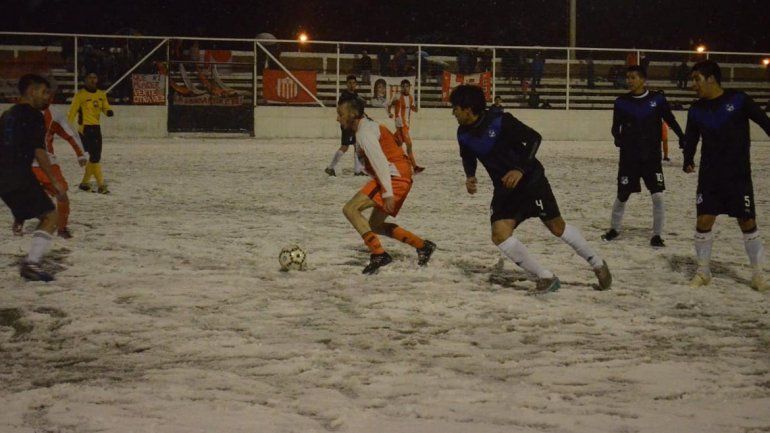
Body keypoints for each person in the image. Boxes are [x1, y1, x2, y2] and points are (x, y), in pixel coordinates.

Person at [449, 84, 611, 293]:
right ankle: (545, 276)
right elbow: (468, 155)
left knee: (557, 228)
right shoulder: (462, 133)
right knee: (499, 234)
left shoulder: (501, 121)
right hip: (506, 189)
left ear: (468, 108)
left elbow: (534, 138)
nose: (453, 113)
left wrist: (519, 169)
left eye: (455, 108)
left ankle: (597, 263)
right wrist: (470, 175)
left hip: (531, 181)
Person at [682, 60, 770, 291]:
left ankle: (758, 275)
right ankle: (703, 272)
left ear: (711, 78)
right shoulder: (696, 109)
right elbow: (691, 138)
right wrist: (688, 158)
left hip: (738, 174)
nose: (693, 85)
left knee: (747, 222)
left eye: (697, 79)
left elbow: (765, 122)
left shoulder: (739, 99)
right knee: (703, 221)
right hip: (710, 175)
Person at [336, 97, 436, 274]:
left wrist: (387, 193)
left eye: (340, 114)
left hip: (394, 176)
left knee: (350, 209)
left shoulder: (364, 132)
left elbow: (380, 162)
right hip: (400, 174)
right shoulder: (369, 126)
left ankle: (379, 254)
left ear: (353, 114)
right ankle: (423, 246)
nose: (338, 118)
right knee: (375, 225)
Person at [603, 66, 685, 247]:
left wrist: (682, 136)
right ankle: (614, 229)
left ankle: (657, 235)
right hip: (629, 158)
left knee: (658, 196)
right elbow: (615, 127)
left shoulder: (657, 99)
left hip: (651, 158)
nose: (629, 81)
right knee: (623, 194)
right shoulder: (621, 102)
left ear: (643, 80)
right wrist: (618, 138)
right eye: (628, 77)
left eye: (633, 77)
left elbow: (670, 119)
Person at [0, 74, 67, 281]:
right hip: (18, 174)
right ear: (32, 91)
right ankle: (32, 264)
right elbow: (39, 151)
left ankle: (20, 217)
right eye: (44, 92)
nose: (48, 97)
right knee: (51, 216)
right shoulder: (34, 116)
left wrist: (19, 214)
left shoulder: (7, 114)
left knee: (34, 206)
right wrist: (54, 181)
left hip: (5, 174)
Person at [13, 105, 88, 239]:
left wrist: (80, 154)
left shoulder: (54, 114)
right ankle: (19, 221)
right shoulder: (18, 112)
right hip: (25, 163)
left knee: (62, 194)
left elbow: (70, 134)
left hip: (48, 164)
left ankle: (62, 228)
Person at [68, 71, 113, 194]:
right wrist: (68, 127)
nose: (93, 80)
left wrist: (108, 111)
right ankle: (101, 185)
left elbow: (105, 106)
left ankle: (84, 183)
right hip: (85, 129)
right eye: (90, 78)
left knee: (95, 157)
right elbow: (72, 112)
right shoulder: (80, 95)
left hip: (96, 128)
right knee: (95, 157)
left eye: (94, 77)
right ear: (85, 80)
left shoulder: (101, 94)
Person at [326, 75, 366, 177]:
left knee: (356, 145)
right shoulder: (345, 96)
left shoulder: (355, 96)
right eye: (350, 83)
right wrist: (344, 119)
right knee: (345, 146)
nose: (352, 85)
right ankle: (330, 167)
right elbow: (340, 109)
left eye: (353, 83)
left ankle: (358, 170)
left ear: (356, 84)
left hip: (354, 124)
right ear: (347, 84)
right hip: (348, 124)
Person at [387, 79, 424, 173]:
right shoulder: (398, 96)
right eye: (403, 86)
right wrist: (389, 113)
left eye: (407, 86)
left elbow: (411, 107)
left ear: (409, 87)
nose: (405, 88)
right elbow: (389, 105)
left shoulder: (411, 97)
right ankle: (414, 166)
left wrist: (415, 108)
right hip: (400, 123)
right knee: (409, 144)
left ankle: (387, 162)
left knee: (397, 143)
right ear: (401, 87)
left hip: (406, 124)